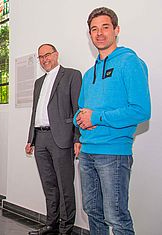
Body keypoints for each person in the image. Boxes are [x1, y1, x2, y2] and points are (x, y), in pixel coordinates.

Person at [74, 7, 151, 235]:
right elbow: (81, 109)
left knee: (116, 218)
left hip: (114, 153)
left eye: (105, 27)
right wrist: (80, 123)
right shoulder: (89, 74)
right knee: (92, 212)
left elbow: (140, 111)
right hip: (87, 153)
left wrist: (96, 117)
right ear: (90, 35)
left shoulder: (130, 62)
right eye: (94, 29)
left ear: (116, 30)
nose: (99, 33)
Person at [25, 44, 82, 235]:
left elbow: (77, 109)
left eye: (47, 55)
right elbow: (35, 112)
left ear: (56, 55)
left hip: (61, 138)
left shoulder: (72, 75)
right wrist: (30, 138)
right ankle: (52, 224)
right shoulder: (38, 82)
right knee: (49, 184)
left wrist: (77, 138)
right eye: (40, 57)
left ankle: (66, 228)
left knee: (65, 185)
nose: (44, 59)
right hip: (40, 138)